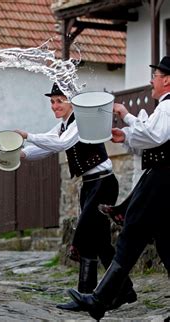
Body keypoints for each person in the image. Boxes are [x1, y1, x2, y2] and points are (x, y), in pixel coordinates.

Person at [14, 83, 136, 312]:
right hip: (90, 184)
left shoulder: (80, 120)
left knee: (87, 233)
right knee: (100, 242)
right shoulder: (62, 125)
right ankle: (124, 290)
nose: (55, 105)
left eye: (59, 100)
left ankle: (86, 294)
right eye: (52, 101)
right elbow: (48, 147)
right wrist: (20, 153)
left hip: (103, 182)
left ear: (71, 102)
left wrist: (27, 135)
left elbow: (61, 144)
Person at [68, 57, 170, 320]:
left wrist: (126, 117)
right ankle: (103, 298)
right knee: (167, 244)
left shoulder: (169, 106)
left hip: (163, 179)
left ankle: (100, 299)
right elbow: (151, 135)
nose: (152, 80)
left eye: (156, 75)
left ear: (167, 79)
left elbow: (154, 136)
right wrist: (125, 134)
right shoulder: (165, 107)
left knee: (133, 231)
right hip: (161, 178)